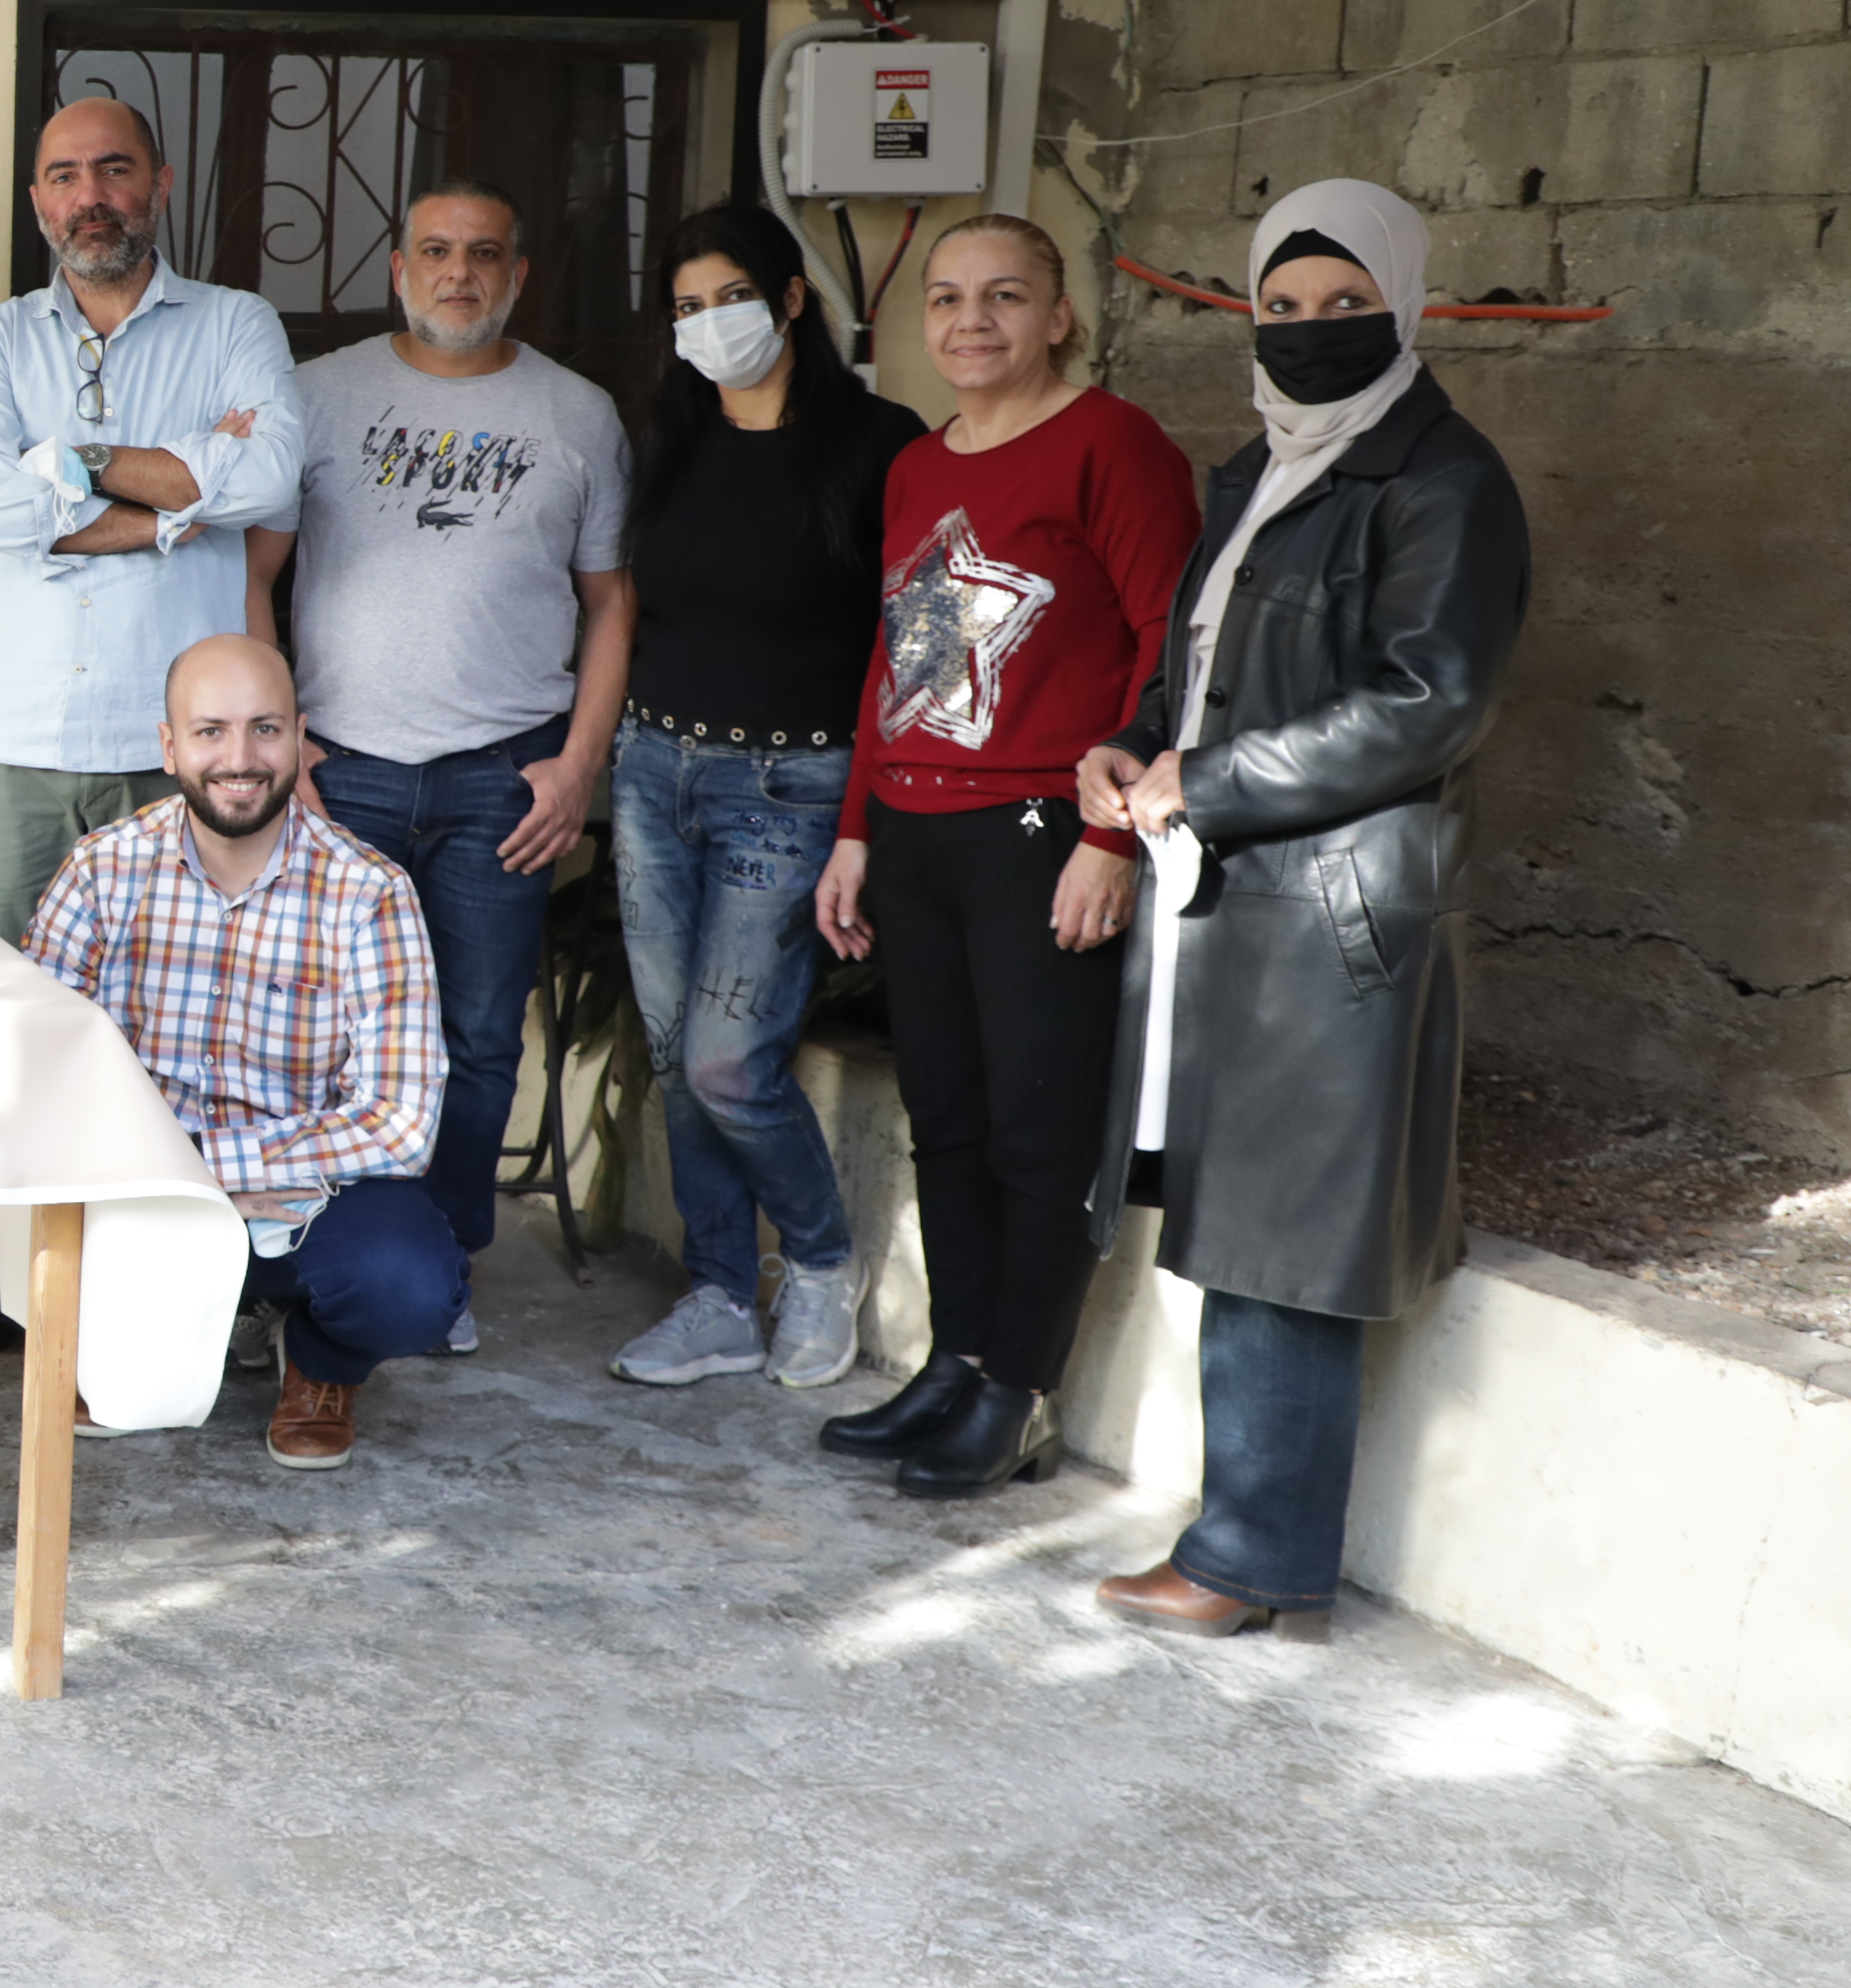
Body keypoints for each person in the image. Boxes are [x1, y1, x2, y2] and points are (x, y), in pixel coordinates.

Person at [1083, 182, 1529, 1638]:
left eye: (1347, 307)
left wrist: (1203, 782)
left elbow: (1427, 703)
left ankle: (1253, 1557)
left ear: (1404, 307)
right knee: (1241, 1218)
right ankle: (1241, 1538)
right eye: (1284, 308)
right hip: (1241, 891)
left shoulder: (1443, 482)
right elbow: (1199, 662)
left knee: (1284, 1238)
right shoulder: (1263, 471)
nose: (1313, 333)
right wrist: (1137, 746)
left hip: (1333, 910)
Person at [805, 214, 1199, 1497]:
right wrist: (859, 826)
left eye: (1007, 297)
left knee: (1036, 1124)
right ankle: (957, 1359)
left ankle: (1020, 1390)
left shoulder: (1113, 445)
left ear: (1059, 315)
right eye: (951, 298)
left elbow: (1169, 649)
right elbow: (898, 658)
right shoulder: (920, 465)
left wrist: (1111, 836)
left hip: (1039, 825)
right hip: (918, 828)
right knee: (949, 1117)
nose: (974, 322)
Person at [248, 181, 635, 1351]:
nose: (457, 272)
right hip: (341, 768)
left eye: (483, 254)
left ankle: (444, 1257)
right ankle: (309, 1254)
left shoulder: (579, 413)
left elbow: (611, 603)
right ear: (398, 268)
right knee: (319, 1030)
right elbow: (254, 574)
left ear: (520, 275)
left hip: (504, 781)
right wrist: (283, 745)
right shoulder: (316, 397)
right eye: (434, 251)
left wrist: (577, 766)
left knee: (473, 1035)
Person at [604, 202, 925, 1394]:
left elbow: (911, 645)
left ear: (792, 299)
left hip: (791, 789)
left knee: (729, 1061)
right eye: (685, 309)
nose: (707, 326)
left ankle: (824, 1261)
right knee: (677, 1046)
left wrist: (865, 821)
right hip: (655, 773)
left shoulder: (880, 446)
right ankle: (720, 1293)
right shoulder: (674, 440)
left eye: (728, 298)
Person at [23, 636, 457, 1473]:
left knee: (408, 1285)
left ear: (300, 739)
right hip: (136, 1194)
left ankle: (322, 1363)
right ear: (169, 746)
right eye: (211, 731)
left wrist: (201, 1160)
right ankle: (157, 1329)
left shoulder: (370, 891)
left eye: (264, 730)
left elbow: (403, 1123)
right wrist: (143, 1165)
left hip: (302, 1201)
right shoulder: (103, 869)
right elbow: (35, 1059)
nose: (239, 758)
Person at [0, 97, 305, 945]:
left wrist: (76, 459)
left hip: (175, 747)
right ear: (38, 203)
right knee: (12, 1008)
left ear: (161, 185)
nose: (89, 194)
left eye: (115, 168)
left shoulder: (235, 324)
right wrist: (175, 506)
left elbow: (266, 474)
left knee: (173, 1013)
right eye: (64, 176)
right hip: (16, 744)